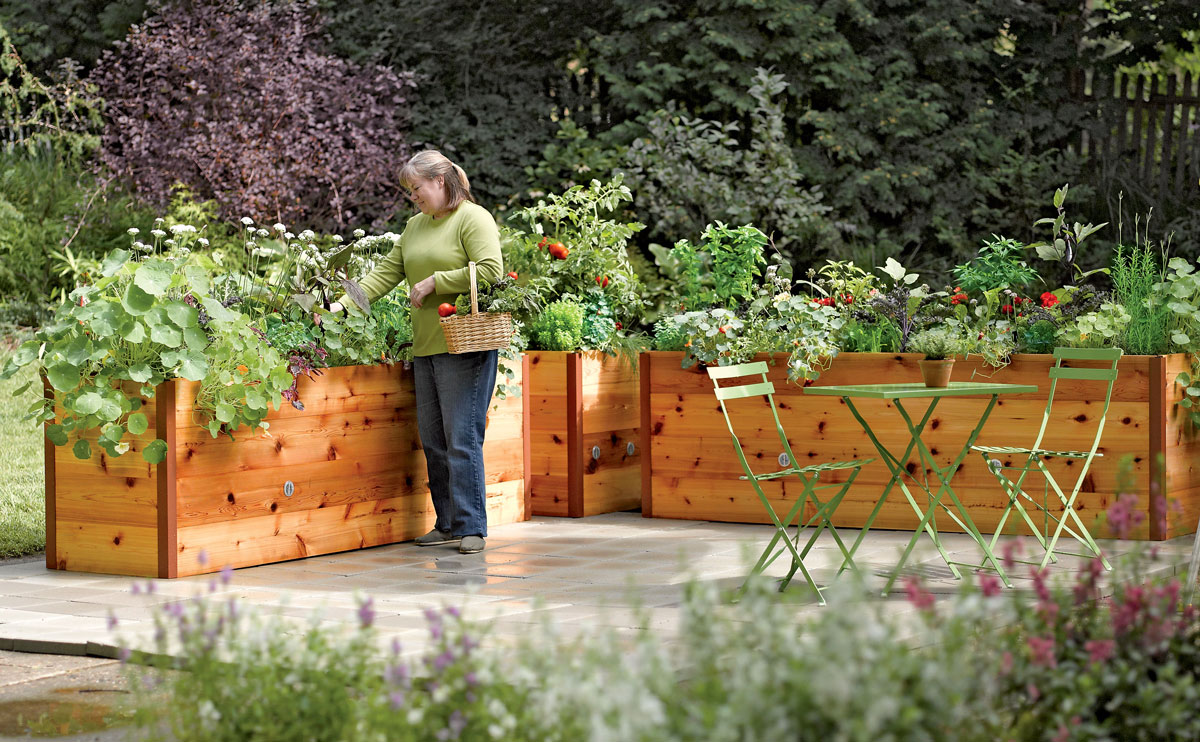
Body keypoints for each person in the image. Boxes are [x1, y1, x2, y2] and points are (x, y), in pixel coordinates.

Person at [330, 150, 502, 554]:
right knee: (434, 439)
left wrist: (434, 283)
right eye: (410, 192)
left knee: (461, 436)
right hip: (427, 346)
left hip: (465, 344)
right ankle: (447, 523)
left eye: (417, 189)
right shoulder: (414, 226)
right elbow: (386, 273)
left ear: (440, 181)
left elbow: (491, 270)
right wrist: (341, 304)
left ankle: (472, 525)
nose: (414, 197)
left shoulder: (472, 218)